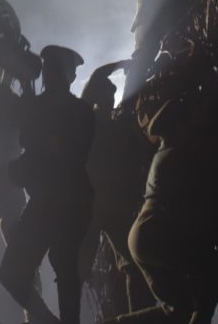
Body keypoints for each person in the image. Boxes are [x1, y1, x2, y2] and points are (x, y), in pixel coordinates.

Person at [117, 56, 218, 324]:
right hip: (159, 235)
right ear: (182, 125)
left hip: (147, 237)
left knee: (179, 310)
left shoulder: (169, 148)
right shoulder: (183, 151)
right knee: (214, 274)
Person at [0, 45, 95, 324]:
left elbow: (52, 152)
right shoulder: (75, 110)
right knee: (60, 271)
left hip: (61, 200)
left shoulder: (76, 111)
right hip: (58, 201)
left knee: (58, 271)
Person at [78, 60, 155, 318]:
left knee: (127, 265)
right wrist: (126, 63)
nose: (111, 99)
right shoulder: (89, 119)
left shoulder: (92, 120)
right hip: (102, 204)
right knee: (127, 264)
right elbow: (97, 76)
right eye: (108, 94)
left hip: (103, 204)